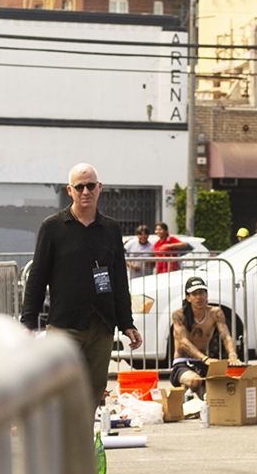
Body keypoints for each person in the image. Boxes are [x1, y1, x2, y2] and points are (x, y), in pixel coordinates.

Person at [20, 163, 141, 404]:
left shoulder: (110, 228)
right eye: (79, 187)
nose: (85, 192)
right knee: (59, 391)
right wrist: (28, 321)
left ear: (99, 188)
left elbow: (118, 278)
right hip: (65, 325)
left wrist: (127, 322)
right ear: (69, 190)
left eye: (90, 186)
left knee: (93, 392)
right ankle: (58, 442)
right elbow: (38, 276)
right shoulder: (52, 227)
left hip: (101, 326)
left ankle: (83, 442)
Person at [168, 276, 240, 396]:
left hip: (203, 363)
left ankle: (195, 399)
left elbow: (226, 336)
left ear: (206, 295)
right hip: (183, 363)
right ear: (188, 297)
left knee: (221, 390)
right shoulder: (179, 315)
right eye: (194, 294)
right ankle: (185, 394)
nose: (198, 297)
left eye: (201, 293)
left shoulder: (215, 313)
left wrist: (233, 355)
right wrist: (205, 359)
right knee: (194, 381)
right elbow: (184, 342)